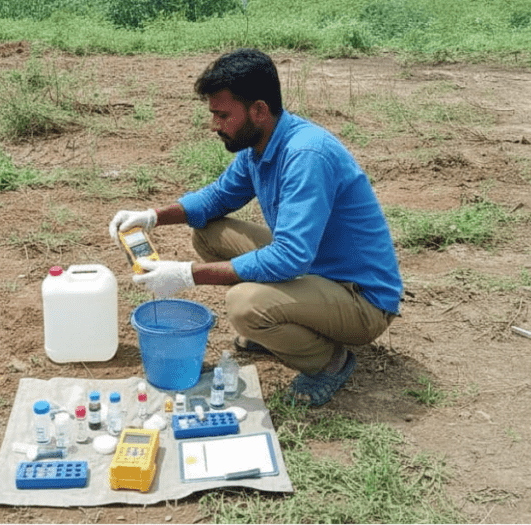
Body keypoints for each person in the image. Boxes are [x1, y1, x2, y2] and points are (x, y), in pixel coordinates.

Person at [109, 48, 402, 407]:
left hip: (361, 300)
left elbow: (290, 257)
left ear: (259, 110)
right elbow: (217, 198)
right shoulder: (260, 146)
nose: (215, 125)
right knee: (209, 233)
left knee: (244, 305)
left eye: (222, 115)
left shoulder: (306, 156)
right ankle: (285, 326)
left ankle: (329, 361)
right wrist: (152, 216)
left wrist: (188, 274)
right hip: (318, 269)